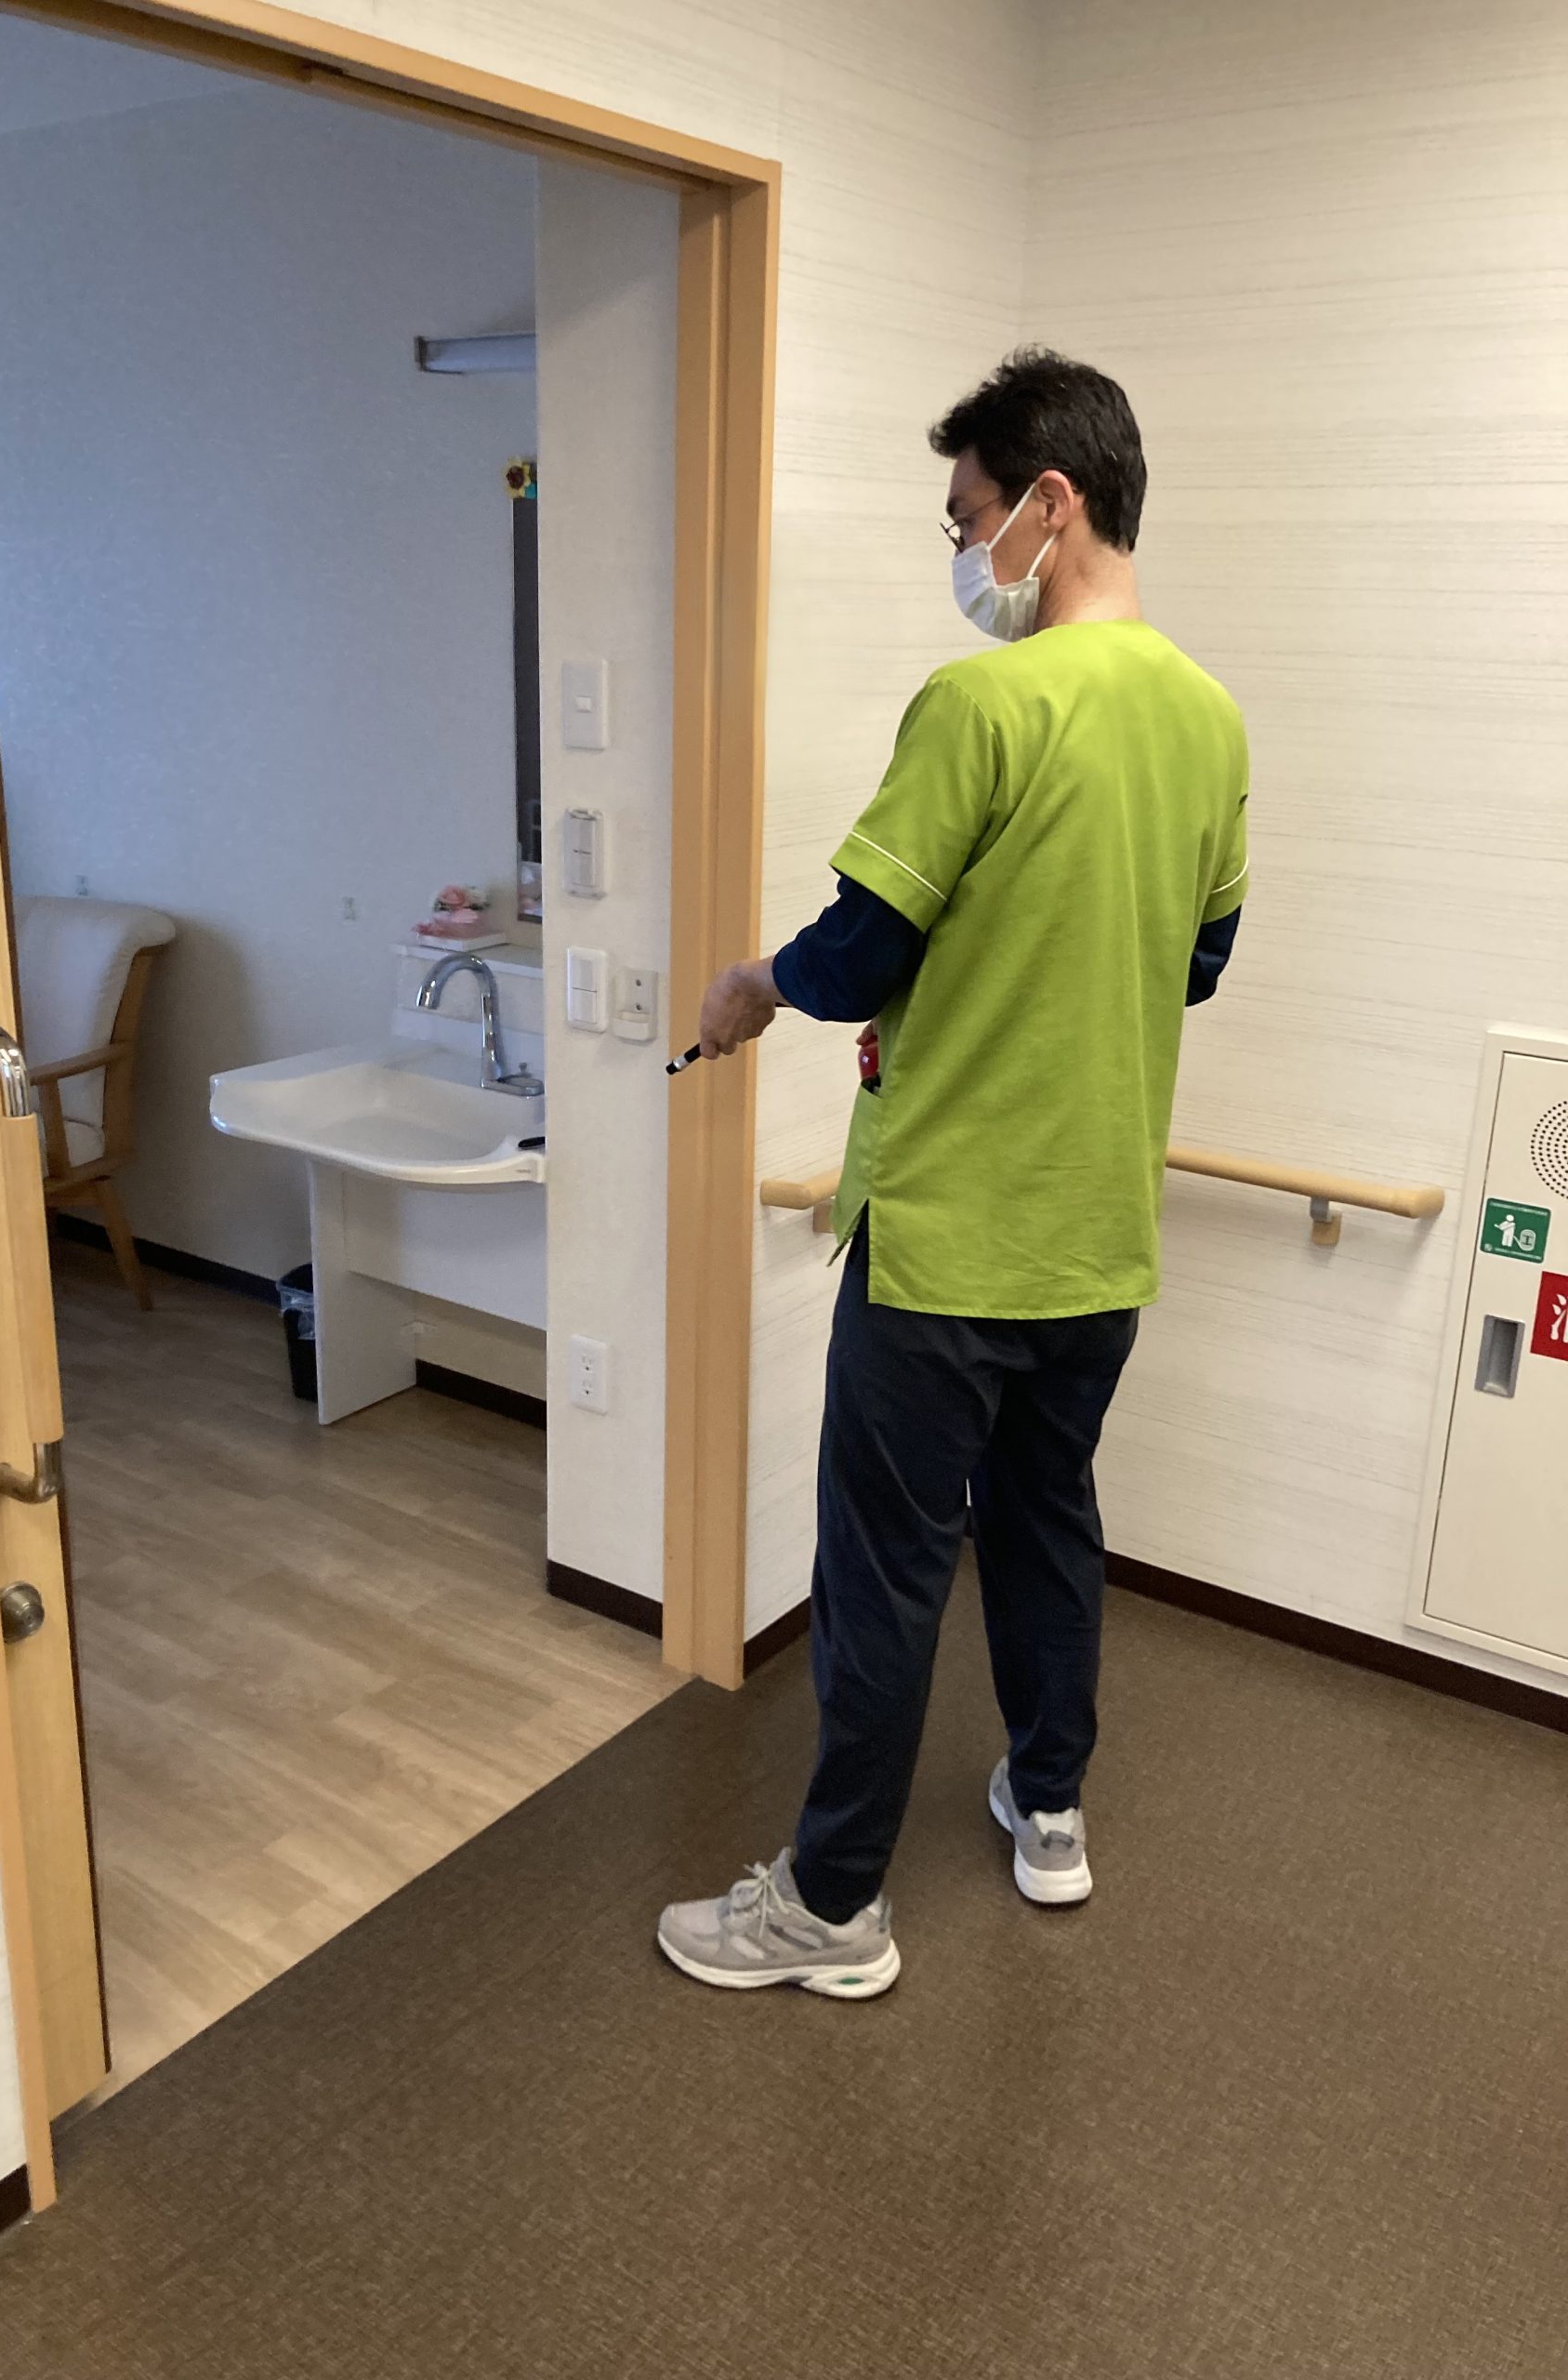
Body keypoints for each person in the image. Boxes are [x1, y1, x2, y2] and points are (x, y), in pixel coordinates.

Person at [657, 349, 1248, 1999]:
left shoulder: (984, 706)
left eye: (969, 515)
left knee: (886, 1572)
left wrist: (750, 986)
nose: (965, 551)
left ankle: (831, 1908)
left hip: (945, 1246)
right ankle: (1049, 1807)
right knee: (1049, 1524)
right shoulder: (1210, 721)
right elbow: (1200, 964)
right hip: (1099, 1237)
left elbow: (858, 951)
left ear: (1051, 505)